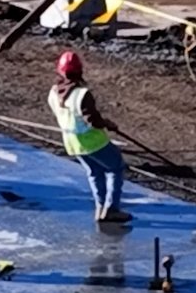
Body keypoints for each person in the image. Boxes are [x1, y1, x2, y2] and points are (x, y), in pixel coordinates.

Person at [46, 51, 132, 224]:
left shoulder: (54, 93)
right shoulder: (82, 94)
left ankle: (100, 208)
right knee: (116, 168)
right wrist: (108, 123)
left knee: (94, 172)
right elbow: (92, 120)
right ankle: (111, 209)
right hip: (92, 141)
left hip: (72, 144)